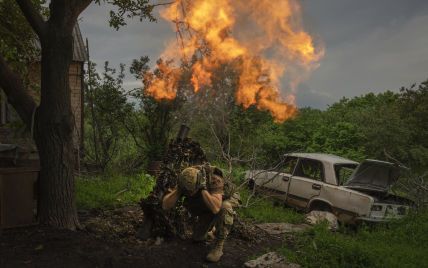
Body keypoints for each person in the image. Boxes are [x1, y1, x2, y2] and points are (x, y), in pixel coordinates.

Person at [162, 165, 240, 263]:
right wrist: (178, 190)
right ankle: (210, 226)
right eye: (188, 191)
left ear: (199, 183)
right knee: (197, 237)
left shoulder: (214, 179)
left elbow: (216, 208)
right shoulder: (186, 177)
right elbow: (165, 205)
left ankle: (219, 245)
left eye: (192, 190)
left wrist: (203, 188)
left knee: (224, 207)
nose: (190, 193)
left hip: (226, 197)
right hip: (210, 199)